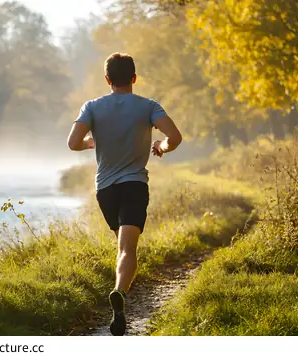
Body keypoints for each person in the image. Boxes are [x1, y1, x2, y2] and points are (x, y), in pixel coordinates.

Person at [66, 52, 182, 336]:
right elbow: (175, 137)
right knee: (128, 249)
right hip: (133, 185)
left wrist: (90, 143)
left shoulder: (91, 107)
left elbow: (72, 143)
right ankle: (119, 292)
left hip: (105, 189)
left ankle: (120, 296)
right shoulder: (148, 106)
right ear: (134, 78)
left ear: (107, 79)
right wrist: (161, 147)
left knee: (122, 246)